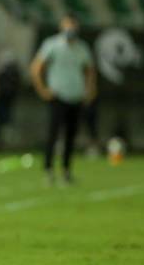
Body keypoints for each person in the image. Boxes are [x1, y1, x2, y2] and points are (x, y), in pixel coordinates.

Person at [30, 14, 97, 185]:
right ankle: (48, 170)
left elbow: (89, 70)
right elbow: (36, 67)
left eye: (73, 26)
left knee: (71, 136)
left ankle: (66, 171)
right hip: (58, 96)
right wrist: (43, 89)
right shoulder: (52, 45)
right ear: (62, 26)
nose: (70, 29)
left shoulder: (82, 47)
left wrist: (89, 90)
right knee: (53, 134)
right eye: (68, 26)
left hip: (76, 96)